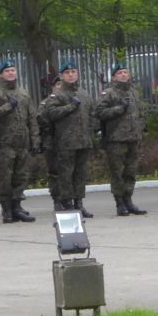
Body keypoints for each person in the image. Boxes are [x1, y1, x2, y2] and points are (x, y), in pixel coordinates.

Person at [0, 61, 38, 224]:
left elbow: (32, 118)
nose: (11, 73)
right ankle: (6, 209)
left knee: (21, 176)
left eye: (13, 70)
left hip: (22, 142)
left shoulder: (23, 93)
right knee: (5, 177)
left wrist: (35, 138)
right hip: (3, 143)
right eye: (7, 71)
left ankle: (17, 207)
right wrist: (7, 107)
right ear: (1, 74)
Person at [40, 61, 94, 217]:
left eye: (73, 72)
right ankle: (67, 203)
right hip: (65, 142)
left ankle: (79, 203)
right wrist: (70, 106)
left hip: (83, 141)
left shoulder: (83, 94)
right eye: (67, 73)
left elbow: (92, 114)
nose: (71, 75)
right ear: (62, 76)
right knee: (66, 174)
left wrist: (91, 132)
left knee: (80, 174)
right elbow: (50, 114)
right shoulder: (57, 95)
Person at [96, 63, 148, 216]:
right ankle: (119, 202)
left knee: (130, 171)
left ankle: (128, 200)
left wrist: (141, 128)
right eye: (120, 73)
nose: (124, 75)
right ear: (114, 77)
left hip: (133, 137)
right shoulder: (109, 93)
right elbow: (99, 112)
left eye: (125, 72)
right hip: (116, 139)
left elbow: (140, 112)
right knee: (117, 172)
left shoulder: (133, 92)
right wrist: (119, 108)